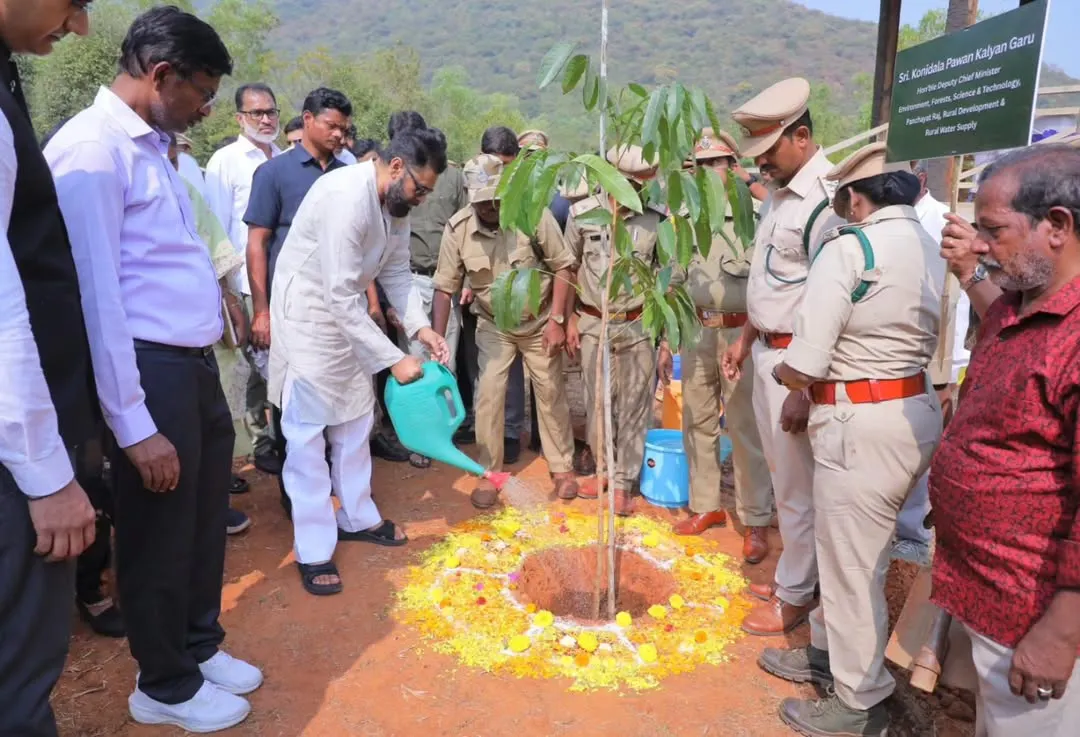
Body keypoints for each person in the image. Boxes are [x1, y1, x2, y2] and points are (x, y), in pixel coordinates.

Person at [45, 8, 262, 732]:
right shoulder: (92, 153)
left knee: (200, 523)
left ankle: (198, 646)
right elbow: (97, 297)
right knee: (159, 532)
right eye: (201, 91)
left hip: (191, 364)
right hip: (147, 368)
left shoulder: (154, 149)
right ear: (161, 75)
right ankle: (163, 681)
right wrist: (133, 425)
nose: (207, 108)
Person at [762, 143, 943, 737]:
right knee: (863, 548)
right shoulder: (930, 243)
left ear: (855, 199)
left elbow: (808, 360)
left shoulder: (851, 247)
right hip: (911, 410)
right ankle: (823, 652)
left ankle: (858, 699)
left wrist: (781, 374)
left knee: (849, 565)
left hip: (857, 423)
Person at [931, 143, 1080, 736]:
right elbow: (1002, 325)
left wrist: (1062, 629)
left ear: (1058, 226)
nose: (983, 245)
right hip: (987, 589)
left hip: (1032, 613)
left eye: (993, 230)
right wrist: (970, 273)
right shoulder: (1023, 304)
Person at [269, 125, 450, 596]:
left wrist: (419, 327)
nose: (422, 199)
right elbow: (337, 294)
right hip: (310, 318)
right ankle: (313, 548)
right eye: (420, 188)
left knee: (354, 420)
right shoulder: (345, 197)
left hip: (347, 319)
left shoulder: (396, 204)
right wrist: (392, 359)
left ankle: (356, 516)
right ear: (395, 166)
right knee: (308, 436)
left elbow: (394, 270)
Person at [0, 4, 97, 735]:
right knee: (19, 668)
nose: (82, 26)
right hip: (14, 452)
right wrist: (46, 471)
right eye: (74, 2)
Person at [721, 78, 845, 636]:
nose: (762, 163)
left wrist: (802, 385)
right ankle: (795, 576)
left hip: (798, 365)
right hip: (769, 354)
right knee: (782, 476)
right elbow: (775, 283)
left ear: (801, 136)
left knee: (797, 489)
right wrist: (747, 336)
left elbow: (829, 300)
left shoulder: (827, 202)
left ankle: (795, 596)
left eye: (768, 151)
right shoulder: (779, 194)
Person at [432, 154, 579, 509]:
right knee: (489, 394)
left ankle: (562, 467)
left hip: (540, 319)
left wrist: (559, 320)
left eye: (497, 201)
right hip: (493, 323)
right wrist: (437, 339)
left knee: (549, 391)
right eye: (483, 204)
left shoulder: (532, 215)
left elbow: (563, 267)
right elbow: (444, 287)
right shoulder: (458, 228)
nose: (491, 209)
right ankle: (489, 471)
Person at [659, 128, 773, 563]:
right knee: (697, 419)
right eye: (701, 165)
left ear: (733, 167)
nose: (709, 171)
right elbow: (673, 279)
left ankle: (756, 519)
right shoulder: (684, 219)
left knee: (744, 427)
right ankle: (706, 505)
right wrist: (669, 339)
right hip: (697, 330)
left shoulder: (757, 214)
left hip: (740, 335)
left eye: (717, 163)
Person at [244, 87, 351, 513]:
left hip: (337, 311)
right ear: (307, 120)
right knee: (291, 404)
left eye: (345, 128)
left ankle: (337, 491)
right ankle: (299, 500)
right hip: (288, 312)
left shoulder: (346, 175)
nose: (340, 135)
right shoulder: (275, 174)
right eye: (332, 126)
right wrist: (261, 310)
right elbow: (257, 244)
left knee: (337, 404)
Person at [565, 145, 665, 517]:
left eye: (642, 185)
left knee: (636, 405)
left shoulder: (656, 219)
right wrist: (569, 317)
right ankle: (604, 470)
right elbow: (568, 264)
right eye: (630, 184)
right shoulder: (582, 214)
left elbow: (666, 277)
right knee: (598, 402)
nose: (636, 192)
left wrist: (665, 336)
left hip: (639, 324)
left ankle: (624, 481)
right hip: (594, 323)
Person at [891, 158, 973, 566]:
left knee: (923, 450)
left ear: (921, 179)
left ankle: (912, 535)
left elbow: (955, 304)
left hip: (934, 358)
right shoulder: (889, 222)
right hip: (895, 353)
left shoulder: (946, 222)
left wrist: (949, 371)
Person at [203, 83, 282, 476]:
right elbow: (215, 224)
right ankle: (257, 442)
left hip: (283, 281)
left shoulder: (285, 158)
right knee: (250, 366)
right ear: (239, 118)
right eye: (257, 113)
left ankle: (278, 436)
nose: (266, 120)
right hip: (246, 284)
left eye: (271, 112)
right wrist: (228, 291)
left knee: (280, 364)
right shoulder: (226, 161)